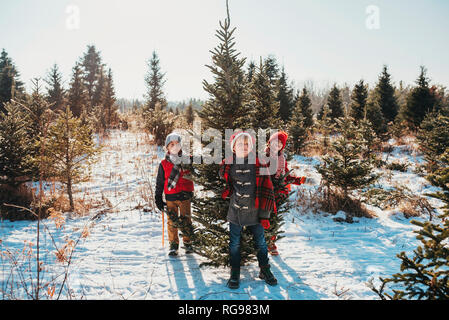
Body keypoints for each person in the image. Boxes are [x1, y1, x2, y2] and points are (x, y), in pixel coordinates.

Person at [219, 130, 278, 289]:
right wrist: (228, 190)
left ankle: (265, 269)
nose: (243, 147)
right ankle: (235, 271)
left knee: (261, 242)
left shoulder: (259, 163)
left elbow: (268, 189)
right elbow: (226, 180)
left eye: (246, 144)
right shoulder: (229, 164)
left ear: (251, 147)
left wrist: (265, 215)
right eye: (239, 144)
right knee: (235, 243)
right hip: (236, 210)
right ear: (233, 147)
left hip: (255, 211)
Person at [265, 131, 307, 255]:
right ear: (269, 143)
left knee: (273, 218)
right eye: (274, 142)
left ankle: (271, 243)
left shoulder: (282, 158)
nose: (276, 145)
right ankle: (260, 242)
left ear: (282, 146)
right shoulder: (264, 156)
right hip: (265, 192)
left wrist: (298, 180)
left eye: (279, 143)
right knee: (263, 217)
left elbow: (286, 176)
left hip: (278, 193)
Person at [155, 132, 194, 256]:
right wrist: (158, 197)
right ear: (167, 147)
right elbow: (160, 182)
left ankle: (188, 243)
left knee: (186, 219)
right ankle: (173, 244)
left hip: (184, 196)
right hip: (170, 197)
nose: (175, 147)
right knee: (172, 221)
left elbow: (194, 175)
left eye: (177, 144)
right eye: (172, 144)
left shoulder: (187, 160)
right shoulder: (163, 164)